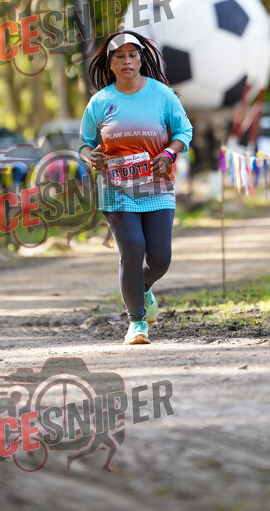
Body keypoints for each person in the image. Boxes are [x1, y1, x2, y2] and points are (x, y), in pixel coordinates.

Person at [78, 30, 193, 345]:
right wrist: (90, 156)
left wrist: (169, 153)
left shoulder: (162, 95)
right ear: (110, 63)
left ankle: (141, 288)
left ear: (141, 59)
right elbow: (84, 144)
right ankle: (137, 322)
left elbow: (183, 131)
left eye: (132, 55)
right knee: (132, 248)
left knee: (160, 259)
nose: (126, 61)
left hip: (157, 186)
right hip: (115, 189)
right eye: (119, 56)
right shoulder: (100, 102)